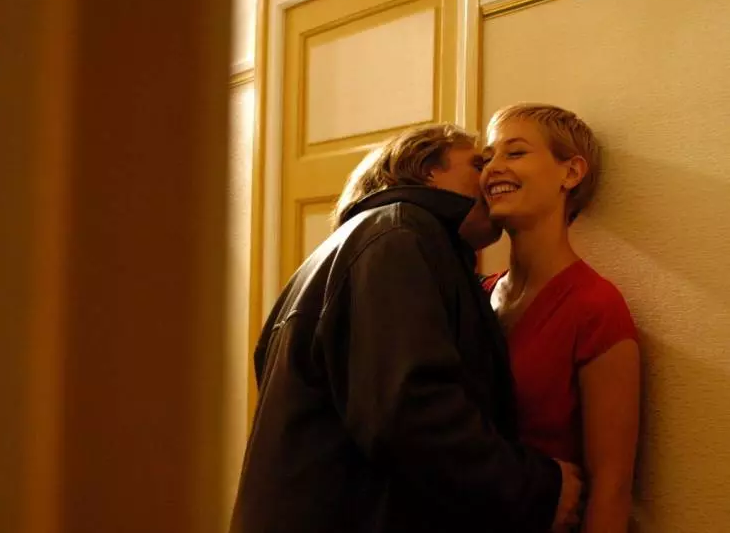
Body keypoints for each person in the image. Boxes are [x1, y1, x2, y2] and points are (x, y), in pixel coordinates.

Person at [231, 123, 584, 533]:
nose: (490, 175)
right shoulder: (398, 236)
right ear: (426, 170)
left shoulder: (368, 242)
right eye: (478, 163)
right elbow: (411, 410)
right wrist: (537, 490)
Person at [480, 104, 640, 532]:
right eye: (487, 157)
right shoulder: (475, 294)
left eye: (515, 153)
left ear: (571, 173)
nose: (492, 168)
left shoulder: (595, 306)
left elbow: (612, 488)